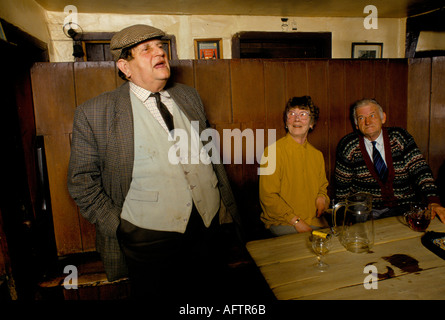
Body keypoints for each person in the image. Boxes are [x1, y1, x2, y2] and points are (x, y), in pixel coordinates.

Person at [67, 24, 241, 299]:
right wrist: (121, 227)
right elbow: (81, 183)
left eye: (161, 46)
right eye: (147, 49)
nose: (160, 52)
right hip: (146, 237)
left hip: (206, 227)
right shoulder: (95, 113)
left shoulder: (189, 96)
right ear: (125, 66)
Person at [334, 98, 445, 222]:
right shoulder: (348, 145)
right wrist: (343, 220)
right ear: (356, 125)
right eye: (361, 118)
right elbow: (342, 190)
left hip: (403, 208)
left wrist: (433, 200)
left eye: (372, 115)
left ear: (383, 118)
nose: (367, 122)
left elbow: (420, 170)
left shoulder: (399, 137)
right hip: (366, 212)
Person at [259, 96, 330, 236]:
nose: (297, 119)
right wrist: (296, 221)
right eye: (292, 114)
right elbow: (268, 197)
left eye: (303, 114)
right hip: (284, 222)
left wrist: (322, 198)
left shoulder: (317, 155)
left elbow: (322, 188)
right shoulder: (272, 152)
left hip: (315, 221)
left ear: (312, 123)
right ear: (286, 122)